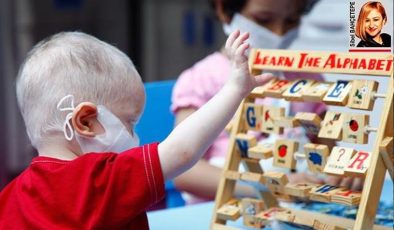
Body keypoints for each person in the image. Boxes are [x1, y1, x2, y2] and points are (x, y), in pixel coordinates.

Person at [0, 31, 273, 229]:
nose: (134, 135)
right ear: (85, 121)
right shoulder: (100, 179)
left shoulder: (10, 196)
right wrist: (235, 89)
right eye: (129, 122)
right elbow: (182, 152)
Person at [171, 0, 363, 205]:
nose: (278, 32)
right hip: (225, 208)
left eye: (291, 20)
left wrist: (345, 172)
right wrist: (268, 186)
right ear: (224, 10)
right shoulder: (201, 79)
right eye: (263, 20)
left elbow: (331, 155)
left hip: (299, 208)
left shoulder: (308, 78)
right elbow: (184, 171)